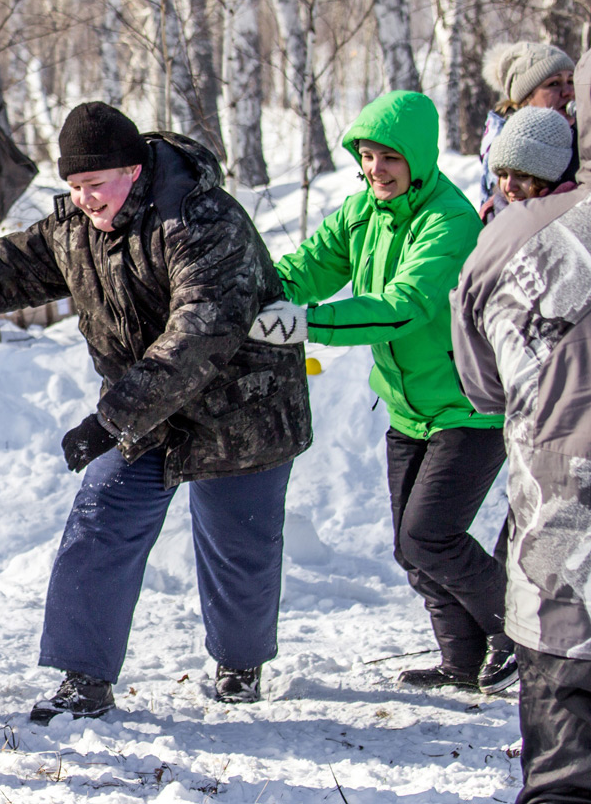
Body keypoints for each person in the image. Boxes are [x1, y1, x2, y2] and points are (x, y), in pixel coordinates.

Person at [0, 102, 312, 720]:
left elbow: (202, 329)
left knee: (238, 547)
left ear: (135, 169)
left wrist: (110, 418)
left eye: (96, 185)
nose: (86, 200)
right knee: (99, 523)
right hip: (149, 410)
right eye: (74, 187)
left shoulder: (202, 219)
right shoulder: (75, 227)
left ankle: (240, 663)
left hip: (241, 409)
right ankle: (82, 678)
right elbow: (1, 272)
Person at [252, 91, 513, 694]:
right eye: (366, 156)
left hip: (466, 407)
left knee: (429, 536)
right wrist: (255, 288)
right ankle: (461, 661)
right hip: (407, 407)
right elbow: (308, 266)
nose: (375, 169)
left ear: (417, 157)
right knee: (411, 546)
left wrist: (306, 323)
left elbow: (405, 307)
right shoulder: (361, 211)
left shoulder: (449, 221)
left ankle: (517, 636)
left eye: (389, 157)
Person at [452, 49, 591, 804]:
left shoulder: (495, 249)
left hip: (556, 504)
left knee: (563, 742)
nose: (509, 188)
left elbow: (481, 387)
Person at [480, 42, 576, 204]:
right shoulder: (505, 144)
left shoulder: (581, 134)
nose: (568, 92)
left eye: (571, 81)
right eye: (554, 84)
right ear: (525, 99)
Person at [479, 106, 576, 223]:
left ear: (552, 176)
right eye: (503, 175)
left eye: (521, 175)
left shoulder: (571, 222)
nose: (509, 187)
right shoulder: (489, 218)